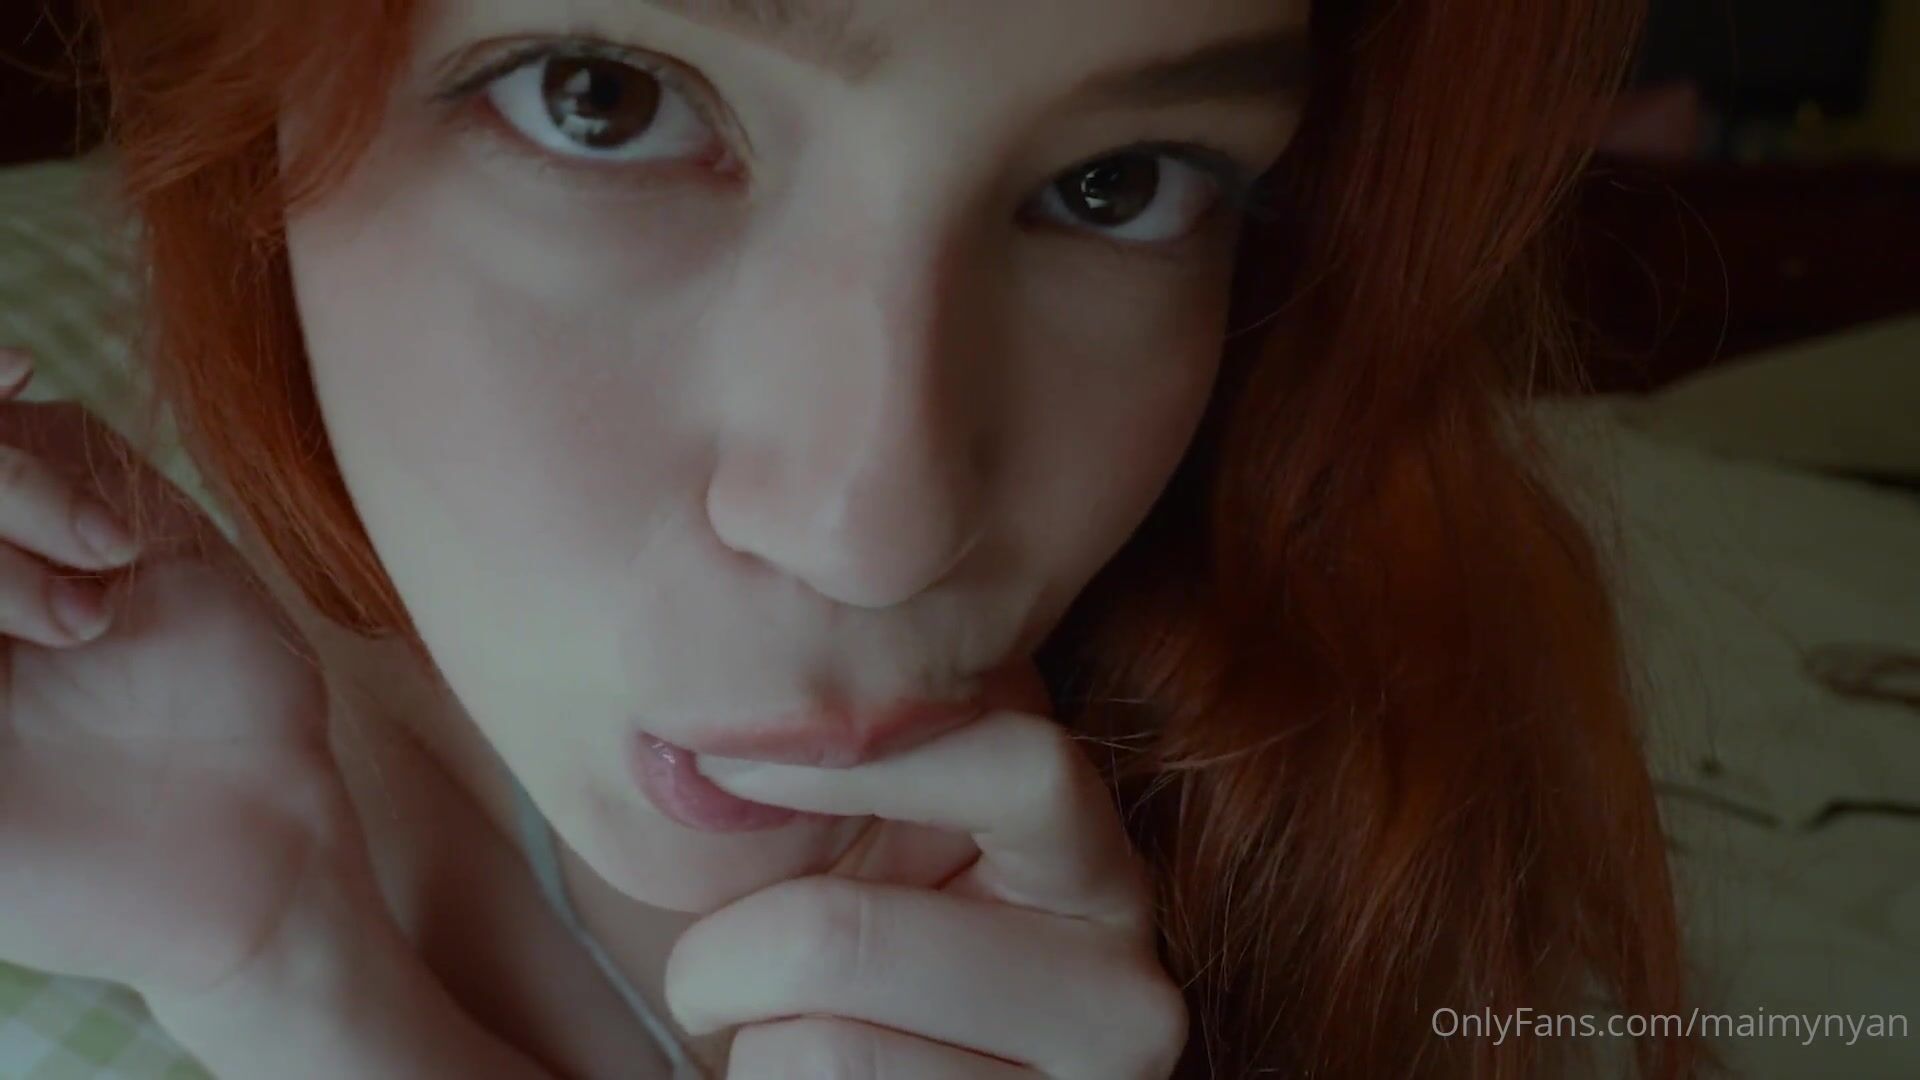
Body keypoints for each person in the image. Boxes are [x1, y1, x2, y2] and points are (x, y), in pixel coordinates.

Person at [0, 0, 1701, 1075]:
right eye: (604, 99)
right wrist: (289, 971)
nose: (881, 531)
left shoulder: (1382, 758)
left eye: (1118, 183)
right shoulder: (149, 735)